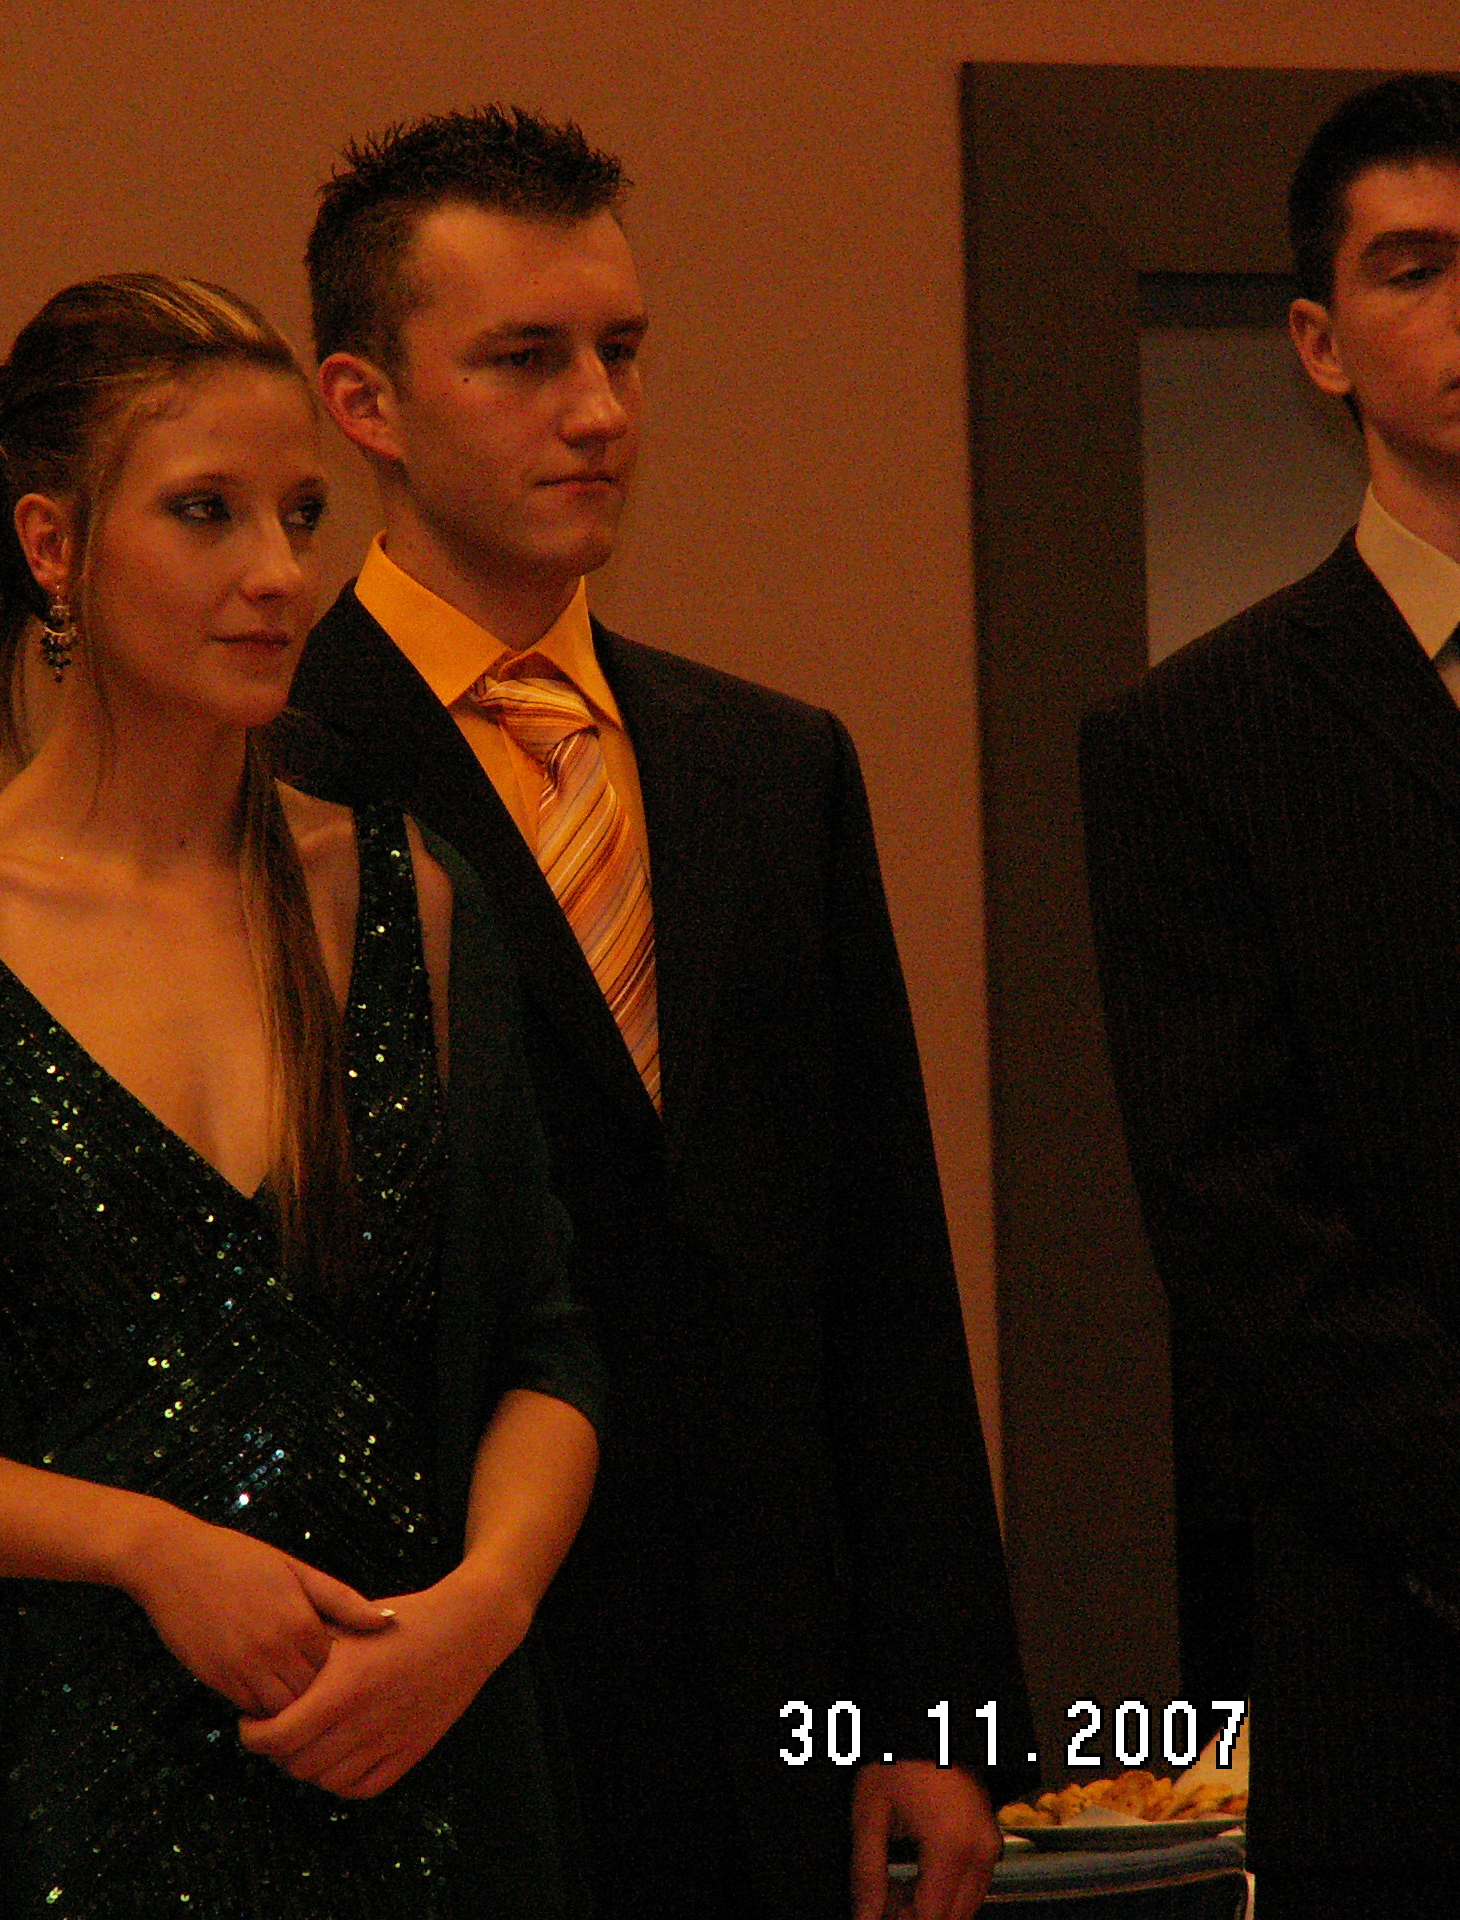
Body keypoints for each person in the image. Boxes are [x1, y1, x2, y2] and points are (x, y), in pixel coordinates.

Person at [0, 272, 603, 1920]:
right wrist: (142, 1544)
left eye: (302, 515)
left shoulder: (411, 896)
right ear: (54, 545)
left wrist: (481, 1611)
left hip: (413, 1784)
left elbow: (544, 1350)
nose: (279, 574)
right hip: (63, 1817)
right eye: (208, 513)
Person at [283, 109, 1028, 1920]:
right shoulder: (271, 764)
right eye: (525, 359)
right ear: (366, 402)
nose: (600, 410)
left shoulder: (768, 765)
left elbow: (882, 1266)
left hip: (777, 1698)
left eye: (621, 352)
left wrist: (935, 1710)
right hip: (434, 1684)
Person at [1081, 73, 1460, 1916]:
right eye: (1418, 267)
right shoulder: (1198, 738)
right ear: (1320, 341)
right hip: (1405, 1646)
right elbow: (1239, 1223)